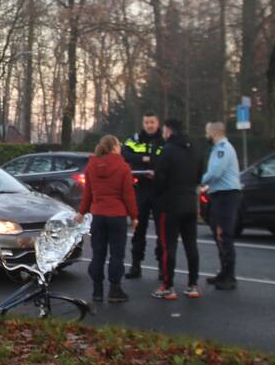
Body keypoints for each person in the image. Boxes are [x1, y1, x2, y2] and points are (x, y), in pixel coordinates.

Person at [79, 135, 138, 303]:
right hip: (117, 216)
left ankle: (97, 290)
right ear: (114, 147)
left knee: (98, 254)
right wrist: (134, 216)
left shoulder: (91, 166)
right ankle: (115, 290)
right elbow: (128, 195)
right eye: (119, 145)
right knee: (116, 255)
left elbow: (88, 193)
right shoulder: (123, 167)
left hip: (98, 215)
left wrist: (81, 212)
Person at [151, 118, 202, 300]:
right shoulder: (195, 148)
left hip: (171, 204)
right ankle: (193, 285)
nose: (163, 134)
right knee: (191, 245)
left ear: (169, 131)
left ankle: (168, 286)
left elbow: (160, 179)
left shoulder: (168, 150)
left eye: (164, 131)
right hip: (190, 203)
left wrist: (157, 194)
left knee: (168, 246)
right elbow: (199, 175)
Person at [121, 112, 164, 279]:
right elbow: (125, 153)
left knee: (162, 231)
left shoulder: (164, 140)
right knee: (138, 229)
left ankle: (162, 267)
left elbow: (169, 158)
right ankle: (136, 265)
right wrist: (145, 159)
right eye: (146, 122)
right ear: (143, 123)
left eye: (152, 122)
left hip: (159, 189)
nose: (149, 125)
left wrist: (150, 162)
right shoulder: (135, 139)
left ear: (157, 123)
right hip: (141, 189)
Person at [201, 121, 242, 290]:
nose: (206, 136)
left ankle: (229, 276)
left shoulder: (222, 149)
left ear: (213, 133)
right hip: (220, 195)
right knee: (219, 235)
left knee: (224, 235)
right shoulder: (218, 149)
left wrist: (198, 181)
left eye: (207, 132)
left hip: (226, 196)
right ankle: (224, 272)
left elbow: (215, 173)